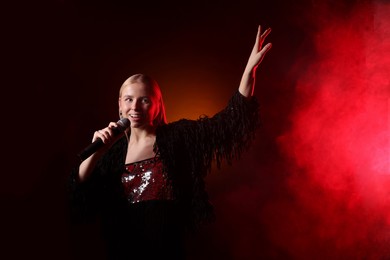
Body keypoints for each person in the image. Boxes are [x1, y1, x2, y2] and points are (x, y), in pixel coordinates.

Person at [69, 25, 272, 259]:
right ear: (120, 104)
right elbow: (81, 189)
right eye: (129, 99)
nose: (135, 107)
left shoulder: (178, 137)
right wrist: (98, 149)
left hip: (169, 249)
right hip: (125, 250)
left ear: (156, 105)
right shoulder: (113, 154)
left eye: (144, 100)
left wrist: (249, 70)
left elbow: (228, 123)